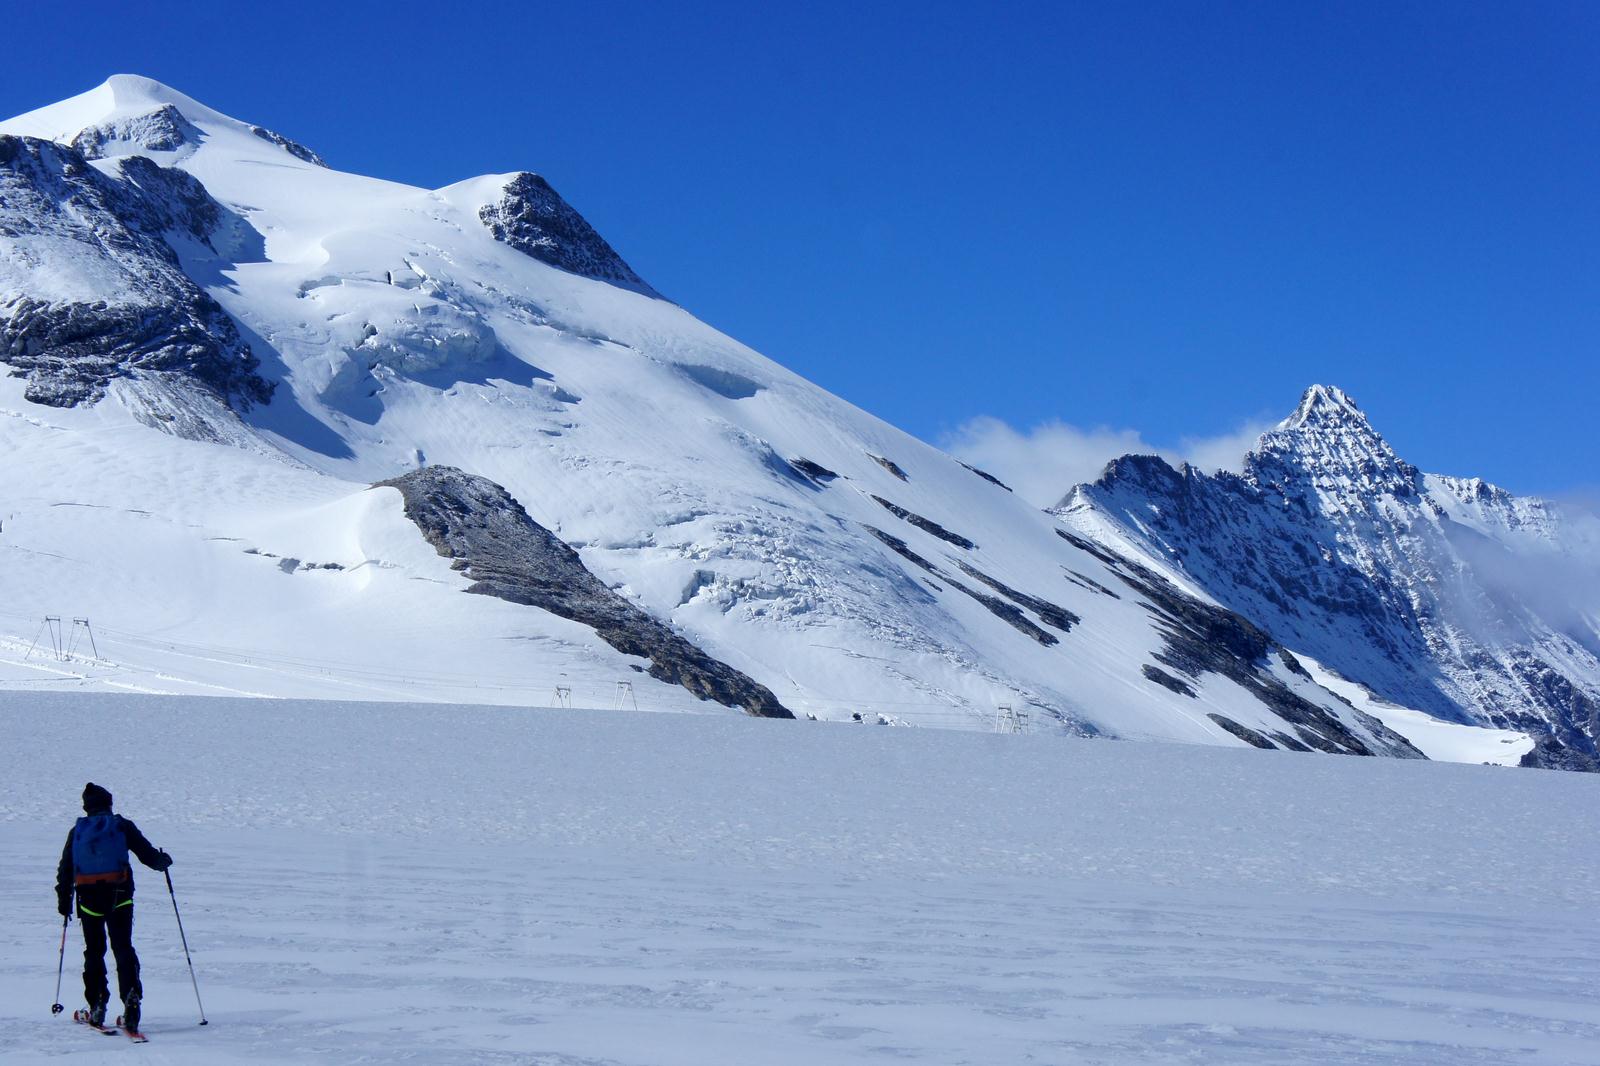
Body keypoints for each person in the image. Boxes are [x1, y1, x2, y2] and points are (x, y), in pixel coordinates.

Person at [55, 783, 171, 1032]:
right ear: (109, 803)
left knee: (95, 951)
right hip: (120, 897)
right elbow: (148, 856)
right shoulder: (122, 825)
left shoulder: (77, 830)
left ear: (87, 808)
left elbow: (66, 870)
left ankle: (97, 1003)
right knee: (123, 948)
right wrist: (163, 862)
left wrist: (64, 903)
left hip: (89, 901)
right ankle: (131, 1001)